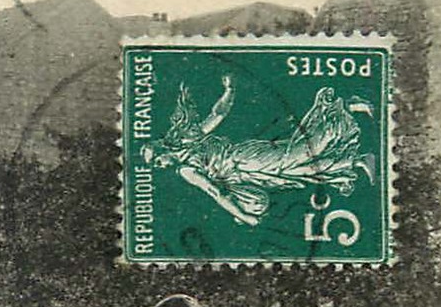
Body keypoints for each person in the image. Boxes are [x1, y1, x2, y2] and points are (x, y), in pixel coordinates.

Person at [143, 77, 376, 227]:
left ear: (162, 147)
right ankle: (356, 162)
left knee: (300, 154)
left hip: (245, 159)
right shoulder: (185, 165)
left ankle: (343, 106)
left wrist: (229, 90)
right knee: (300, 171)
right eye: (155, 166)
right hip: (247, 174)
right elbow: (221, 192)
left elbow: (217, 116)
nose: (159, 165)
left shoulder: (187, 157)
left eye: (156, 160)